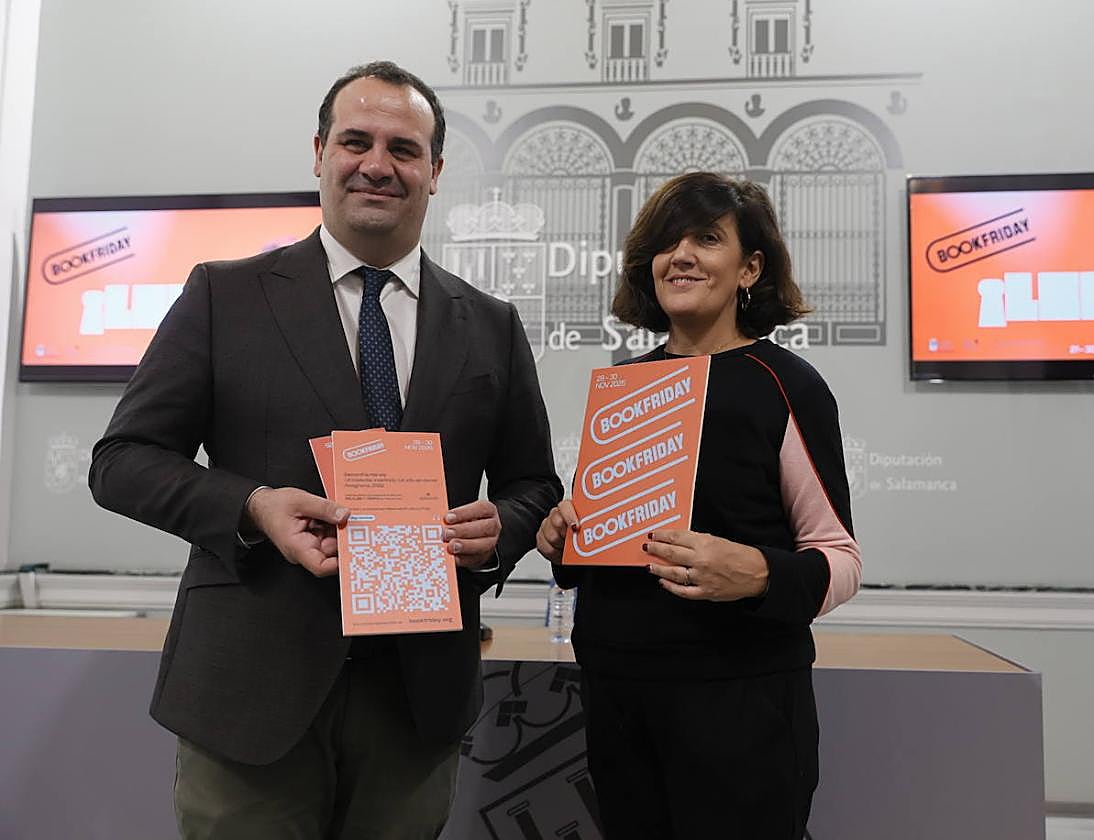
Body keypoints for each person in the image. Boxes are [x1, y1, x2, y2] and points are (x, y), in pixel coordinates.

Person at [89, 61, 561, 839]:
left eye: (404, 149)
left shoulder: (490, 324)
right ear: (318, 153)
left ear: (435, 171)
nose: (378, 164)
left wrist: (498, 533)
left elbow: (532, 484)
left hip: (416, 703)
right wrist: (250, 507)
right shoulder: (222, 295)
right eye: (356, 141)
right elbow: (124, 459)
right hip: (250, 697)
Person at [536, 171, 861, 839]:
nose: (680, 255)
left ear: (750, 267)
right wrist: (562, 533)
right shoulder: (627, 384)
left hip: (742, 704)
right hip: (618, 694)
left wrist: (760, 574)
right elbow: (599, 543)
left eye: (706, 239)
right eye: (666, 242)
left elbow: (839, 557)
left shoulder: (787, 386)